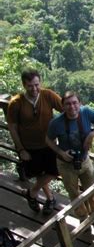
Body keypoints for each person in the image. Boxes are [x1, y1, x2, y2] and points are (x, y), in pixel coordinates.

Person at [7, 69, 63, 215]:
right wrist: (20, 149)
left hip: (49, 143)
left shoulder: (48, 95)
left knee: (54, 171)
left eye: (37, 84)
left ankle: (32, 192)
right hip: (30, 146)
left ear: (40, 83)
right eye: (30, 85)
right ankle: (50, 199)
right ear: (24, 85)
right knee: (39, 173)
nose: (35, 89)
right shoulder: (16, 103)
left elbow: (66, 109)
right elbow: (12, 127)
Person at [46, 91, 94, 220]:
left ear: (80, 103)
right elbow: (48, 140)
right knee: (74, 193)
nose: (72, 107)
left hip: (84, 160)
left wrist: (92, 134)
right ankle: (83, 217)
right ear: (63, 106)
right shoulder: (56, 122)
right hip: (65, 164)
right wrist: (61, 152)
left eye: (74, 103)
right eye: (68, 104)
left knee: (92, 189)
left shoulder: (86, 112)